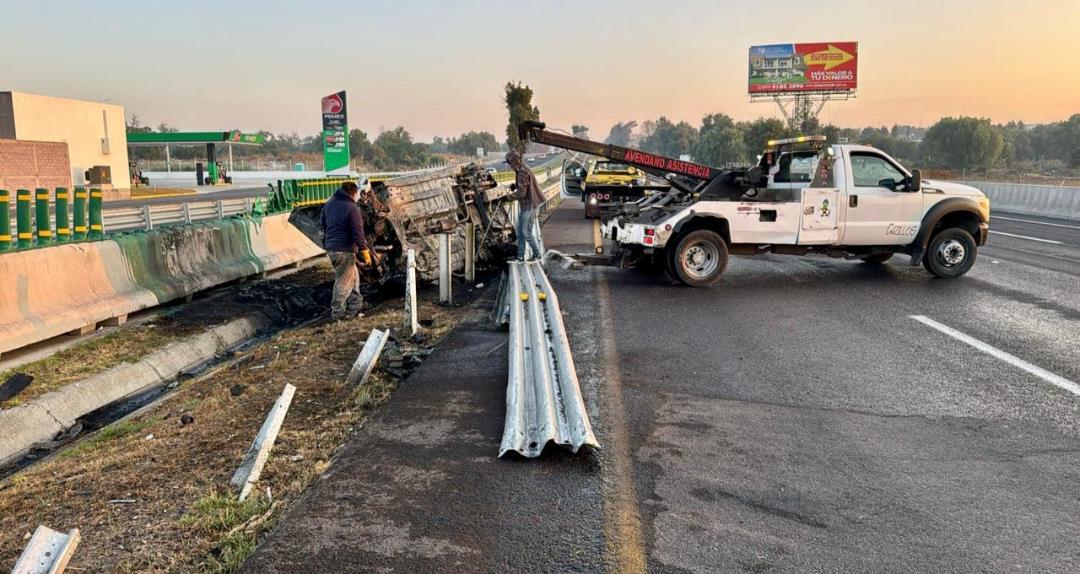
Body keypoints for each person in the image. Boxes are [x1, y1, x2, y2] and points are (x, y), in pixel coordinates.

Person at [319, 181, 372, 319]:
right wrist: (365, 252)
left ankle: (355, 307)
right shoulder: (351, 208)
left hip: (333, 248)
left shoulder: (329, 204)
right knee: (343, 282)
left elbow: (323, 225)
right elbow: (358, 233)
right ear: (353, 193)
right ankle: (338, 313)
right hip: (344, 250)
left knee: (354, 279)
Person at [507, 149, 544, 261]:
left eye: (509, 163)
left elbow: (522, 193)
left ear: (514, 162)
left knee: (526, 232)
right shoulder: (521, 170)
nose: (509, 166)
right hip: (525, 206)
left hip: (529, 206)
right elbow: (523, 187)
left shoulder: (522, 172)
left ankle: (537, 255)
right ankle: (520, 256)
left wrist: (507, 197)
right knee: (520, 233)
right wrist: (515, 186)